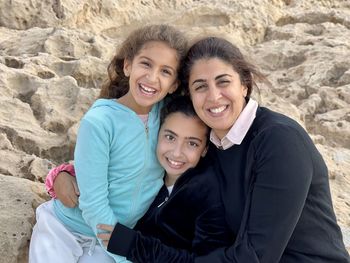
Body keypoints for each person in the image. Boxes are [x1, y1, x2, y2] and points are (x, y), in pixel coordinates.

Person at [49, 37, 350, 262]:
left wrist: (135, 247)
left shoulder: (278, 142)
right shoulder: (211, 140)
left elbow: (255, 257)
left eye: (223, 82)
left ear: (244, 85)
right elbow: (132, 153)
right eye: (200, 86)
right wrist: (64, 173)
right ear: (188, 94)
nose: (214, 96)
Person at [28, 24, 188, 263]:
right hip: (66, 228)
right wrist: (126, 256)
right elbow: (93, 205)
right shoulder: (100, 122)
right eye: (146, 63)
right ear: (127, 65)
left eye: (166, 71)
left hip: (113, 237)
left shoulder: (168, 118)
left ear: (174, 84)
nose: (152, 77)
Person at [46, 96, 235, 261]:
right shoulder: (154, 174)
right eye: (170, 137)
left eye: (192, 143)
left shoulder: (206, 194)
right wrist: (60, 174)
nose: (177, 153)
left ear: (205, 150)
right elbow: (104, 171)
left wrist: (134, 245)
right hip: (89, 240)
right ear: (157, 134)